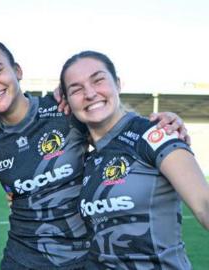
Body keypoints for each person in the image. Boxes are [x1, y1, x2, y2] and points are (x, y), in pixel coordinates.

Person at [0, 39, 192, 270]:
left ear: (17, 71)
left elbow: (117, 126)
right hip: (21, 261)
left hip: (85, 260)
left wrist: (162, 123)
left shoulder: (65, 108)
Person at [59, 50, 209, 269]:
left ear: (117, 84)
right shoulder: (85, 157)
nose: (90, 93)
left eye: (98, 80)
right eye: (76, 89)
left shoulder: (155, 134)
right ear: (67, 101)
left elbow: (204, 205)